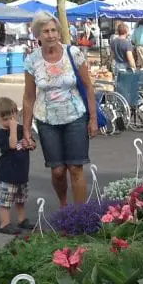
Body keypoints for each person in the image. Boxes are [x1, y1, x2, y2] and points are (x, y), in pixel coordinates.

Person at [21, 11, 98, 208]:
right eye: (46, 31)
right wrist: (27, 130)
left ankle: (79, 214)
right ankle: (64, 207)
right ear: (38, 35)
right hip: (47, 120)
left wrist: (93, 118)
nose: (51, 35)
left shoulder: (73, 53)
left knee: (75, 167)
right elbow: (29, 96)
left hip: (75, 116)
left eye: (54, 30)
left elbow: (88, 86)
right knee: (57, 170)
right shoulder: (32, 60)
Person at [0, 97, 33, 234]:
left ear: (16, 114)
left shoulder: (22, 129)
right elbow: (12, 144)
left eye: (12, 117)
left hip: (21, 173)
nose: (10, 121)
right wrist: (13, 128)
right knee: (5, 200)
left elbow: (31, 142)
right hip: (6, 174)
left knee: (21, 198)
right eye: (5, 119)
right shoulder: (1, 134)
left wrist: (31, 143)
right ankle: (5, 223)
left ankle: (22, 219)